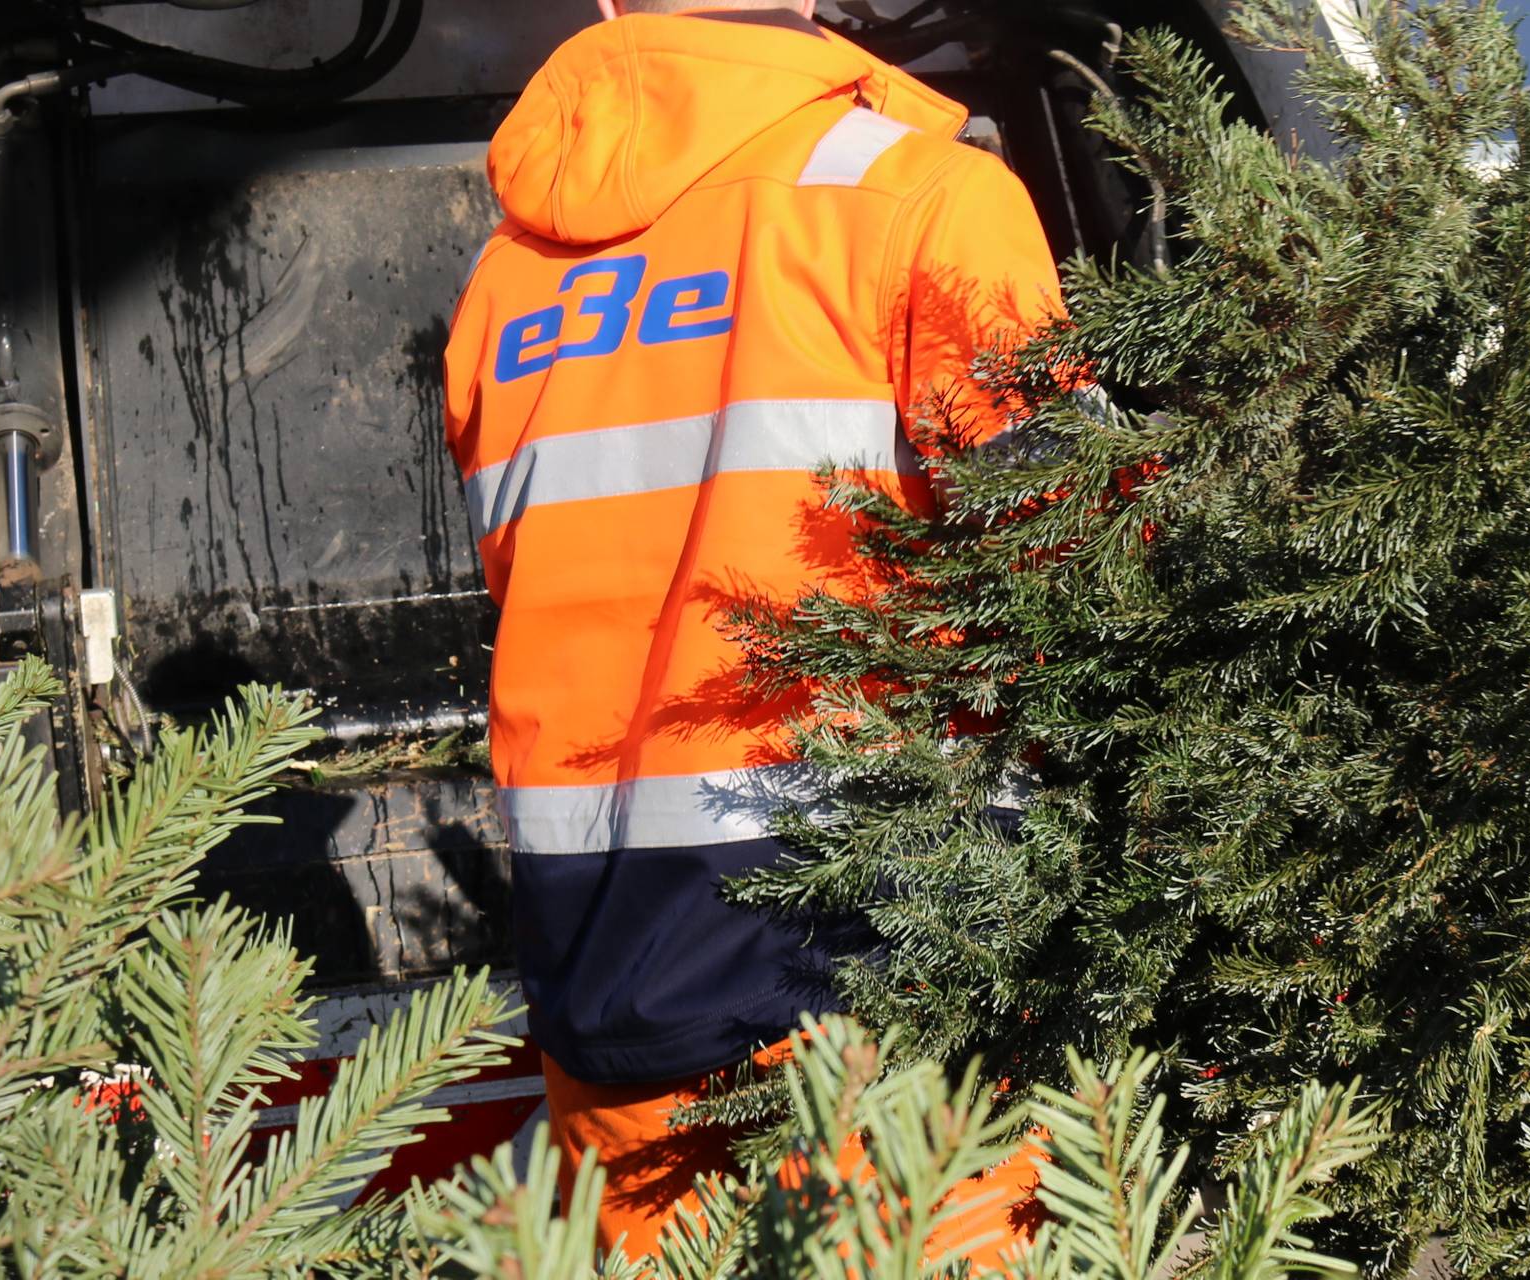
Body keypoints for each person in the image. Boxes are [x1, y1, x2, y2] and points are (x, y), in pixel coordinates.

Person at [440, 0, 1064, 1261]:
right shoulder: (925, 200)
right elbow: (1081, 565)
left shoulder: (504, 281)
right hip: (886, 978)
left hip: (611, 975)